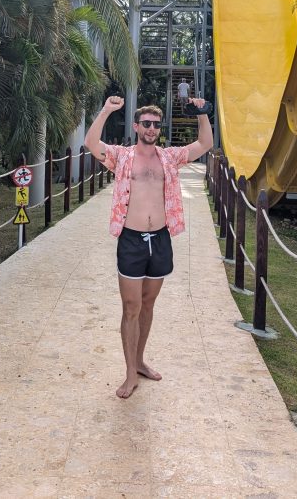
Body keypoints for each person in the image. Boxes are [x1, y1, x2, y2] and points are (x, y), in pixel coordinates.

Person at [85, 96, 214, 398]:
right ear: (136, 126)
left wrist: (203, 113)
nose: (151, 128)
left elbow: (204, 144)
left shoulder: (169, 157)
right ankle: (130, 373)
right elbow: (92, 143)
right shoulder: (122, 156)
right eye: (146, 124)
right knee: (131, 307)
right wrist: (106, 110)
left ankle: (140, 361)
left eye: (156, 125)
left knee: (148, 304)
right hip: (130, 239)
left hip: (160, 239)